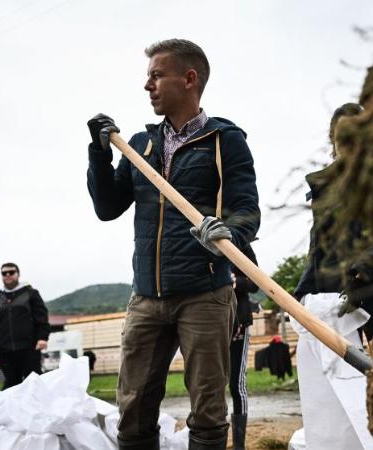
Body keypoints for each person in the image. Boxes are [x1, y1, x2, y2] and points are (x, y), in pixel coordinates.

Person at [86, 39, 260, 450]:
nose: (147, 85)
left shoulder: (224, 141)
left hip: (205, 294)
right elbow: (108, 208)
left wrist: (228, 235)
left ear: (189, 79)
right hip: (146, 296)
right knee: (133, 409)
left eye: (156, 75)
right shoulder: (140, 146)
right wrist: (99, 156)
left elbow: (247, 212)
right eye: (148, 76)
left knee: (208, 411)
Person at [293, 102, 373, 343]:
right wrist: (303, 291)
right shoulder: (323, 186)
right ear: (333, 142)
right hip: (336, 298)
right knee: (344, 375)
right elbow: (318, 243)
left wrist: (360, 273)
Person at [0, 263, 50, 390]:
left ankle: (41, 408)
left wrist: (43, 337)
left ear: (18, 274)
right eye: (4, 273)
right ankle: (10, 409)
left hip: (29, 348)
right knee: (11, 385)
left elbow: (42, 317)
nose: (8, 275)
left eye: (11, 272)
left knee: (34, 383)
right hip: (5, 350)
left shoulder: (31, 294)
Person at [228, 243, 259, 450]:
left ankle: (239, 445)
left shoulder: (242, 246)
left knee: (236, 384)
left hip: (238, 322)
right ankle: (215, 439)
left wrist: (234, 281)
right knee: (209, 383)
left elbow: (255, 282)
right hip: (208, 323)